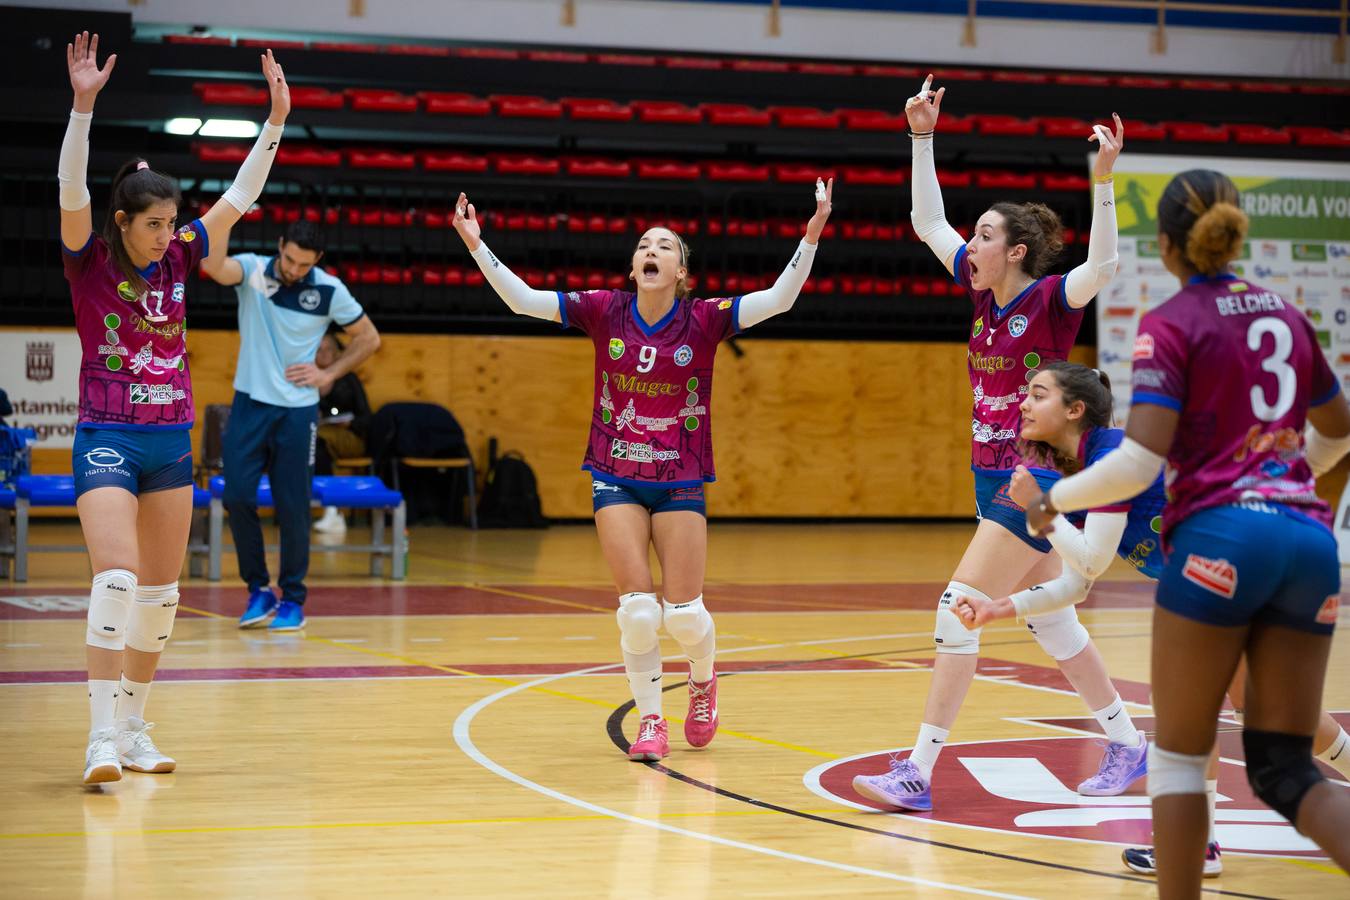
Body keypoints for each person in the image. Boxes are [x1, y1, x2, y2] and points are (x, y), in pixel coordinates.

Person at [1022, 169, 1350, 896]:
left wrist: (1051, 500)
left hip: (1222, 542)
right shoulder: (1286, 313)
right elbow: (1338, 427)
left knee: (1176, 756)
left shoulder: (1172, 322)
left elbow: (1139, 462)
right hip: (1307, 536)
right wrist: (1284, 476)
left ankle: (1192, 865)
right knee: (1288, 766)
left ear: (1166, 246)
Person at [453, 179, 833, 759]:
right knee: (636, 610)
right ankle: (651, 720)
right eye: (643, 246)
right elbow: (523, 300)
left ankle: (703, 679)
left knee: (682, 615)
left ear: (682, 271)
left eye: (665, 247)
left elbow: (780, 298)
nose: (651, 251)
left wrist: (810, 235)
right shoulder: (605, 309)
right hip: (615, 473)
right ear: (633, 267)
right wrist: (478, 245)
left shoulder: (704, 320)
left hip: (680, 479)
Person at [851, 76, 1134, 812]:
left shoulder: (1048, 301)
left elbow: (1103, 268)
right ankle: (1127, 740)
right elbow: (925, 221)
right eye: (972, 234)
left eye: (982, 236)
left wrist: (1102, 184)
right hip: (990, 477)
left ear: (1016, 251)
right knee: (1050, 617)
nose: (968, 244)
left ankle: (917, 771)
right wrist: (920, 137)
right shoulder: (981, 294)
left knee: (957, 608)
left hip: (1034, 479)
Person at [955, 361, 1350, 877]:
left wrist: (1039, 510)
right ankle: (1197, 844)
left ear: (1074, 410)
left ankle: (1194, 847)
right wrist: (999, 607)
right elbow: (1079, 581)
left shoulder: (1112, 457)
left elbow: (1091, 562)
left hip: (1240, 557)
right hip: (1243, 564)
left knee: (1196, 709)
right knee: (1261, 708)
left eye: (1037, 394)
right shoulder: (1084, 473)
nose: (1023, 404)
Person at [60, 32, 290, 784]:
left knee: (160, 598)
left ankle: (131, 728)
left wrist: (276, 120)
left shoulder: (186, 253)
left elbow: (241, 197)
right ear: (124, 224)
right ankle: (97, 738)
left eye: (171, 224)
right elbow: (72, 191)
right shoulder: (90, 262)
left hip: (169, 441)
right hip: (107, 438)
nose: (168, 235)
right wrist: (82, 106)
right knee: (117, 580)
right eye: (154, 225)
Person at [201, 221, 381, 631]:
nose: (294, 269)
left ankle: (293, 600)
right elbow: (213, 266)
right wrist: (227, 217)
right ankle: (258, 590)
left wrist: (329, 373)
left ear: (317, 262)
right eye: (289, 259)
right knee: (238, 496)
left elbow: (369, 339)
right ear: (279, 246)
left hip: (298, 413)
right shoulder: (252, 270)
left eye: (304, 265)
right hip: (249, 404)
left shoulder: (331, 290)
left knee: (294, 508)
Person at [312, 331, 372, 534]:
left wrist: (349, 423)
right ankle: (329, 510)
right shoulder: (305, 378)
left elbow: (366, 418)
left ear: (338, 352)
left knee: (317, 443)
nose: (324, 354)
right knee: (314, 446)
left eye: (329, 348)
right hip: (318, 437)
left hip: (350, 437)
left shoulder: (348, 380)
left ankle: (333, 510)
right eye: (319, 350)